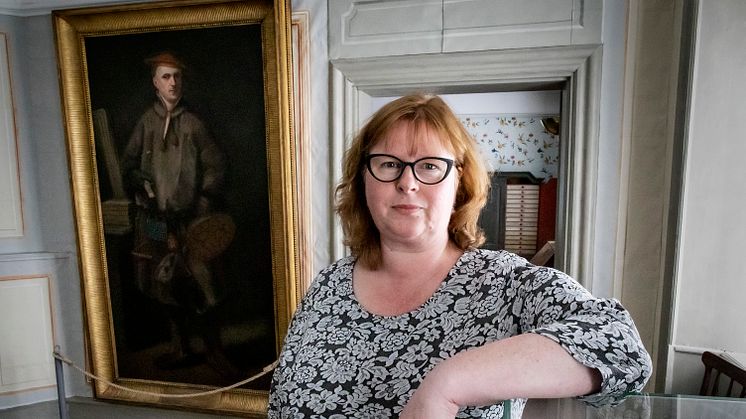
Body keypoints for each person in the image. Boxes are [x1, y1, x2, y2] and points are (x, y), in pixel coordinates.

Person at [267, 93, 652, 418]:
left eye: (430, 166)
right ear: (363, 178)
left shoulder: (504, 282)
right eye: (388, 164)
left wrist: (448, 383)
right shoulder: (329, 284)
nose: (407, 182)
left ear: (459, 183)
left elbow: (620, 345)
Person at [122, 51, 229, 369]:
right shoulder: (146, 123)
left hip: (191, 219)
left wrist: (203, 202)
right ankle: (180, 348)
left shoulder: (194, 124)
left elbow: (215, 167)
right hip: (155, 221)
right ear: (155, 82)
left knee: (203, 280)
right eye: (166, 76)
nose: (173, 82)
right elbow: (129, 165)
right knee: (162, 281)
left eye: (177, 76)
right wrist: (138, 180)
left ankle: (214, 352)